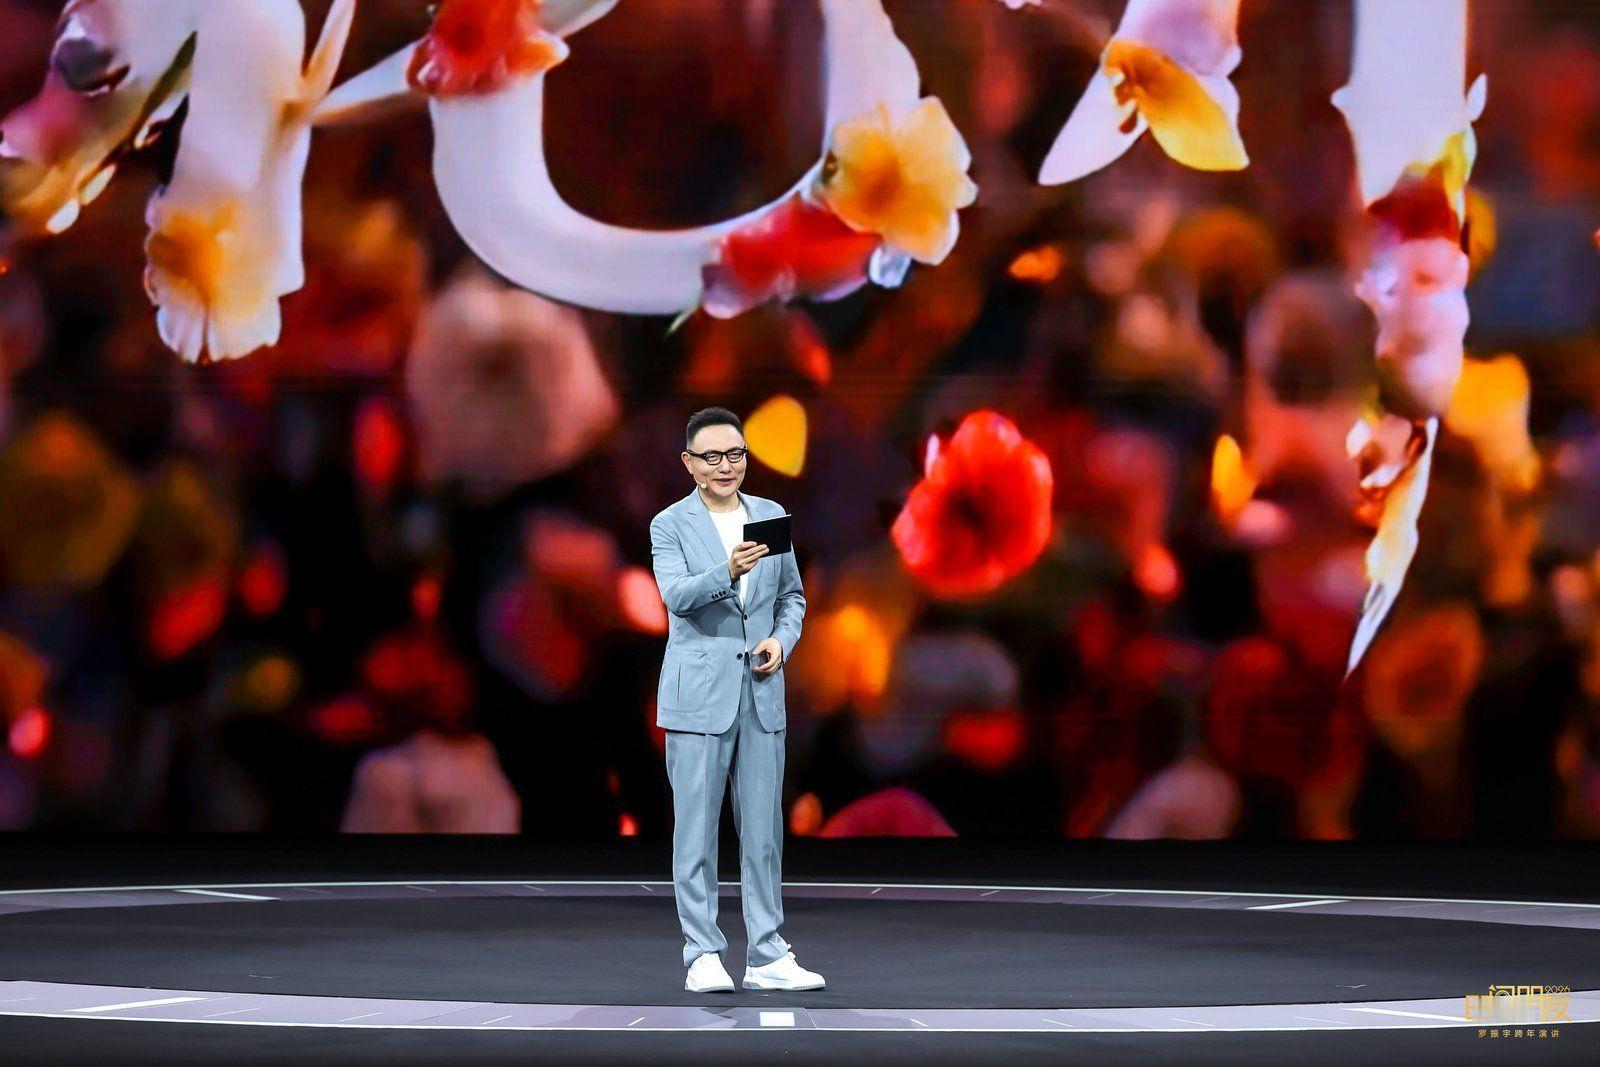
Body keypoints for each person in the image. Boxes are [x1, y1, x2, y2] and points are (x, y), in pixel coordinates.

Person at [649, 406, 823, 993]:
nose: (726, 466)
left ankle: (767, 954)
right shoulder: (669, 525)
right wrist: (725, 570)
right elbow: (675, 596)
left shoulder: (770, 516)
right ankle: (702, 952)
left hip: (761, 693)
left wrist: (781, 641)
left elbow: (792, 597)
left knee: (764, 832)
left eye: (736, 454)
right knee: (696, 832)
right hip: (699, 696)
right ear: (689, 463)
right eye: (713, 456)